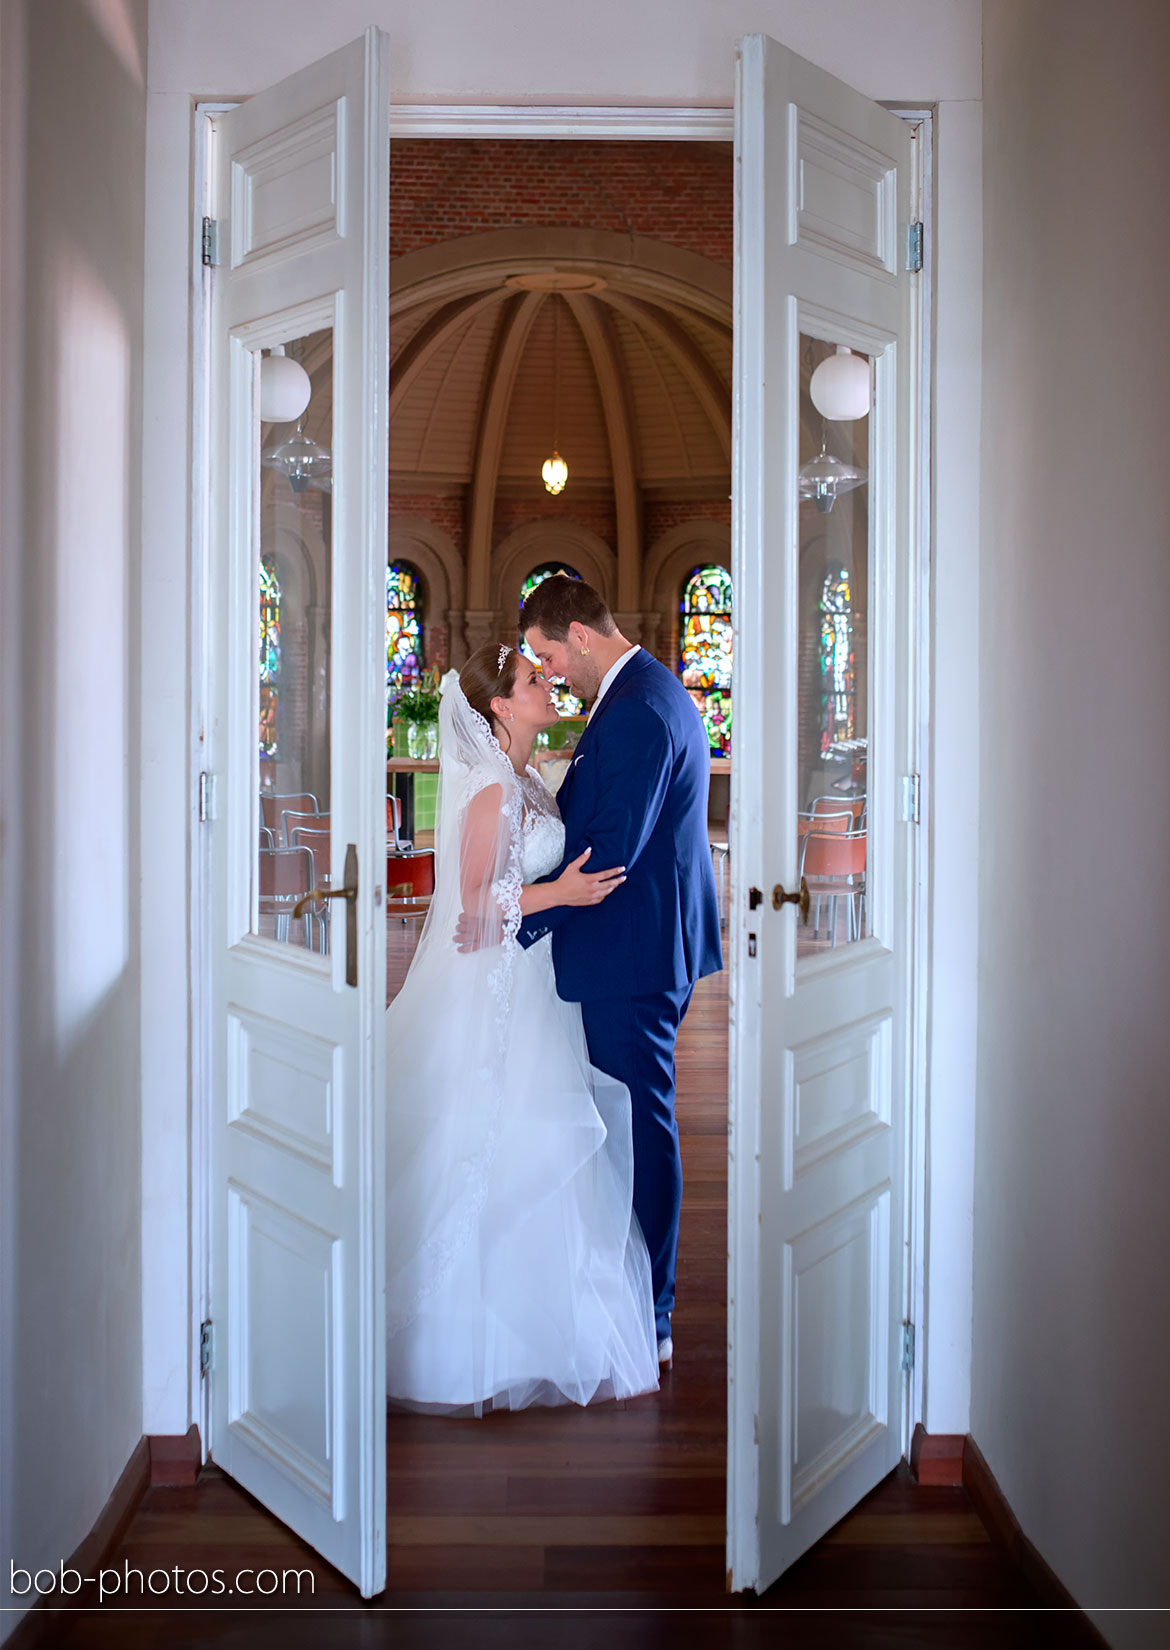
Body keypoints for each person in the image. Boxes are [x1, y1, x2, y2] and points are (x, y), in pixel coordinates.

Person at [384, 642, 660, 1413]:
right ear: (500, 707)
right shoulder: (492, 793)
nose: (546, 684)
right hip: (497, 986)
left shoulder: (528, 779)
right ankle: (457, 1343)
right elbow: (474, 907)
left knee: (536, 1140)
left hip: (534, 980)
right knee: (492, 1138)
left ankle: (543, 1320)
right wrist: (564, 894)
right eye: (531, 680)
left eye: (544, 674)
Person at [514, 575, 723, 1365]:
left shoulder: (636, 709)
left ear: (580, 636)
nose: (551, 674)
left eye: (548, 656)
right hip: (646, 942)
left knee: (640, 1125)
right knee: (635, 1117)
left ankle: (653, 1308)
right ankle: (637, 1287)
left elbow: (611, 857)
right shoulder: (643, 691)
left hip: (635, 950)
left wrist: (520, 916)